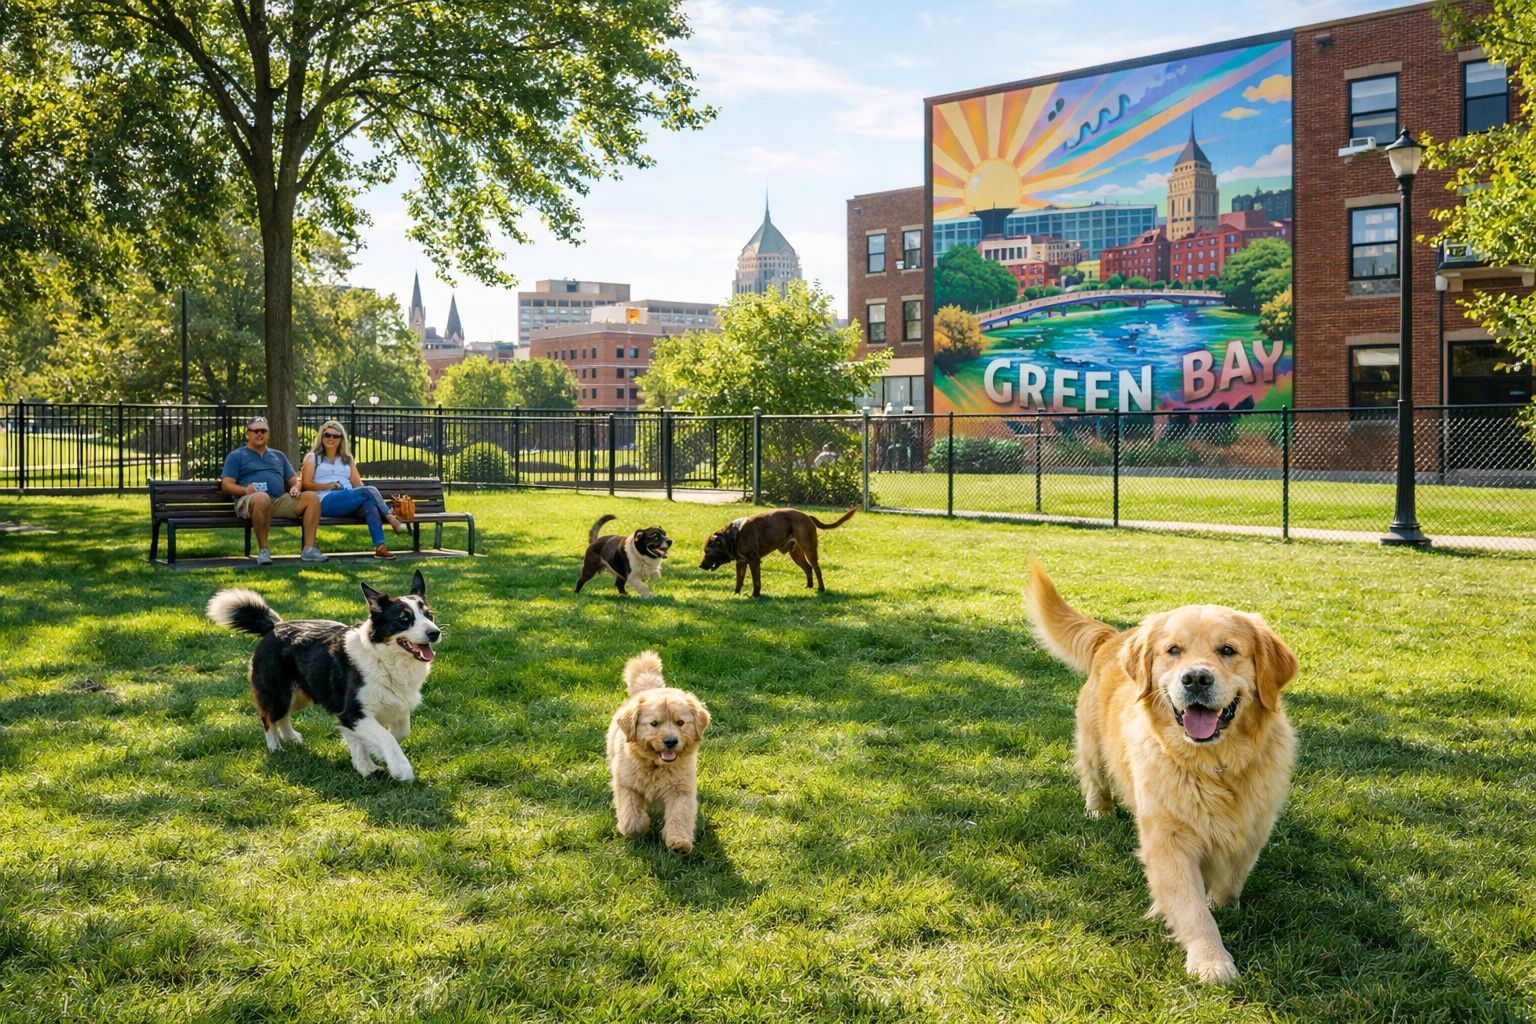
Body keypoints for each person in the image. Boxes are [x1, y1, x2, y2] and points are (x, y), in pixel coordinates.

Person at [220, 416, 326, 565]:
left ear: (268, 433)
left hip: (277, 500)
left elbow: (294, 479)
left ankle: (309, 550)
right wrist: (245, 490)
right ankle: (264, 551)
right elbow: (226, 485)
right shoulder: (237, 456)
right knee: (262, 498)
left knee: (312, 498)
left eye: (263, 431)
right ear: (247, 434)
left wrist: (296, 487)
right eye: (255, 431)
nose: (259, 434)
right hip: (249, 501)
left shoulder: (278, 456)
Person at [300, 419, 408, 560]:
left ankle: (380, 547)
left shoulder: (347, 459)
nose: (331, 439)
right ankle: (391, 518)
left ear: (341, 439)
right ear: (322, 436)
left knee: (370, 504)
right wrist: (329, 485)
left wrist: (368, 497)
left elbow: (357, 483)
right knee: (369, 491)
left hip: (349, 498)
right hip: (325, 501)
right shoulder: (313, 458)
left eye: (335, 436)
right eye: (327, 435)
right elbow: (305, 485)